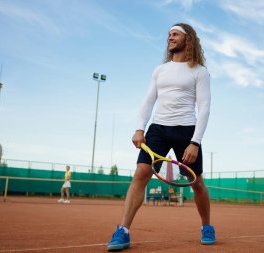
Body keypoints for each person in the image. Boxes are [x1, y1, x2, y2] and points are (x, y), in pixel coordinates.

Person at [107, 23, 215, 251]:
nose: (170, 38)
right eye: (168, 35)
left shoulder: (199, 71)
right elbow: (148, 100)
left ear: (188, 39)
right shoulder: (160, 69)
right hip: (158, 128)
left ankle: (207, 226)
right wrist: (139, 128)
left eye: (175, 34)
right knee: (141, 173)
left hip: (186, 130)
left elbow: (204, 108)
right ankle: (123, 231)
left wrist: (195, 142)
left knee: (197, 183)